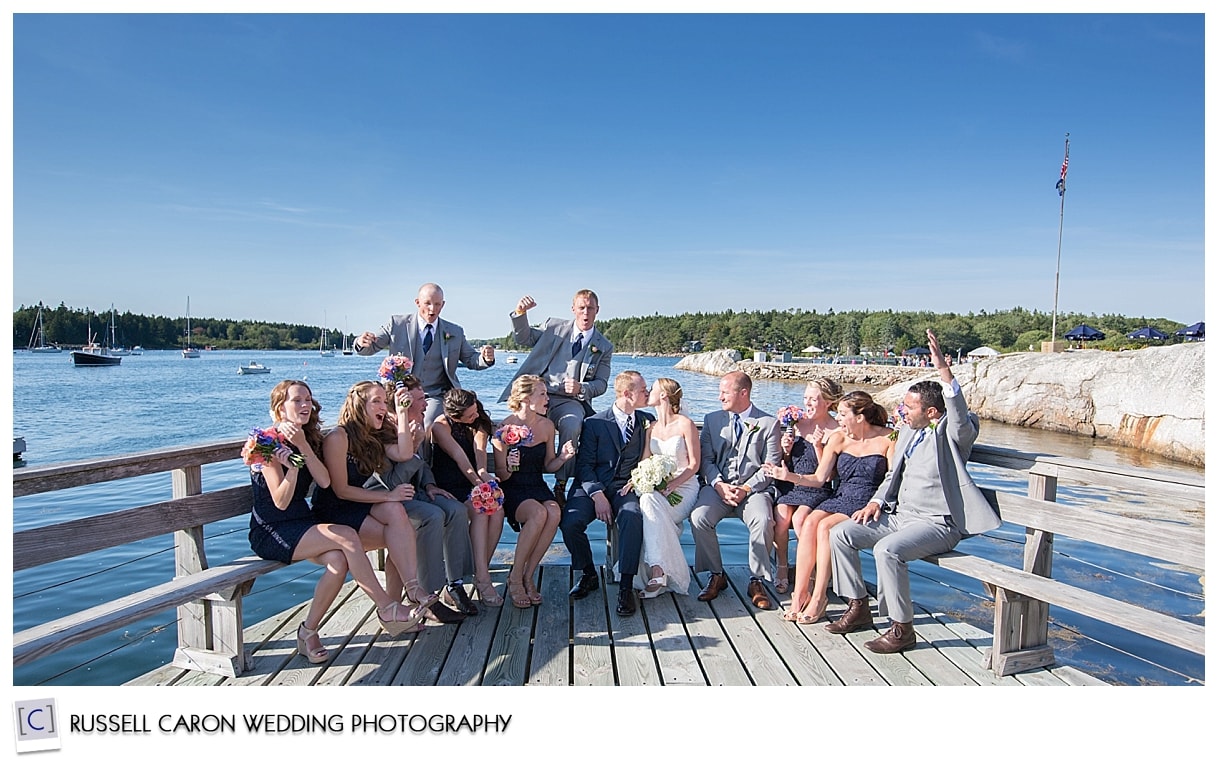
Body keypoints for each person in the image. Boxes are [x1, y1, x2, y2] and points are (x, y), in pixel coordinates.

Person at [824, 329, 1001, 653]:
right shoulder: (906, 431)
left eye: (909, 407)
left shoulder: (954, 432)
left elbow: (958, 413)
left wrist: (944, 371)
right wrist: (876, 501)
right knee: (841, 534)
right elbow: (892, 474)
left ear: (932, 411)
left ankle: (901, 629)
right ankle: (859, 606)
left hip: (937, 523)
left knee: (886, 550)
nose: (902, 411)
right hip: (900, 515)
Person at [248, 381, 427, 657]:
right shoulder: (267, 443)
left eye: (308, 399)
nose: (305, 405)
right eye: (297, 401)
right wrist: (292, 469)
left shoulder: (307, 438)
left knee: (347, 555)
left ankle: (307, 631)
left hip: (304, 523)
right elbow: (280, 502)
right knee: (346, 535)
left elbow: (323, 479)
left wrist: (302, 445)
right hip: (273, 529)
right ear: (279, 408)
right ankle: (386, 607)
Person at [311, 381, 438, 629]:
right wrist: (389, 496)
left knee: (398, 521)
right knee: (399, 529)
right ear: (360, 405)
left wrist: (401, 412)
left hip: (357, 506)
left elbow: (403, 454)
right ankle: (392, 609)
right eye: (376, 401)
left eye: (384, 401)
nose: (383, 406)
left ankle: (407, 593)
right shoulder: (339, 436)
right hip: (334, 510)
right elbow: (341, 490)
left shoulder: (372, 437)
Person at [764, 391, 896, 624]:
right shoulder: (839, 438)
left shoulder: (889, 438)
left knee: (825, 527)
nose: (840, 420)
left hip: (869, 502)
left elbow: (893, 479)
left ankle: (819, 597)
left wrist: (878, 502)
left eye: (843, 414)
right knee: (811, 521)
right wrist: (789, 476)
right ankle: (799, 595)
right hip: (842, 495)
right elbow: (819, 478)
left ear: (860, 416)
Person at [498, 290, 613, 501]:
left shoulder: (604, 346)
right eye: (581, 307)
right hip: (537, 394)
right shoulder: (553, 327)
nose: (585, 312)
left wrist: (582, 388)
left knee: (572, 423)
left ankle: (560, 484)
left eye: (590, 308)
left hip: (569, 401)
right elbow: (523, 338)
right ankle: (513, 482)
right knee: (511, 426)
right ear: (573, 309)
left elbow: (602, 384)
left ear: (597, 310)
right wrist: (520, 313)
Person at [381, 377, 476, 623]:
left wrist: (431, 485)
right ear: (404, 402)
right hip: (391, 497)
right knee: (432, 516)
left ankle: (455, 584)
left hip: (420, 491)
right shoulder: (386, 430)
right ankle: (427, 594)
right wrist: (411, 446)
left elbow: (424, 466)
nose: (427, 403)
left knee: (456, 509)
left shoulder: (420, 421)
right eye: (421, 399)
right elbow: (392, 481)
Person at [562, 371, 653, 616]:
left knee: (632, 516)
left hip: (626, 486)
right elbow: (584, 466)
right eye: (644, 389)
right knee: (570, 522)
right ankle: (589, 573)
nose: (648, 392)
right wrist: (597, 495)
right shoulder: (595, 422)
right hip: (592, 485)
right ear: (627, 394)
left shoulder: (648, 420)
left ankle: (626, 586)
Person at [690, 370, 781, 609]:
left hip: (754, 490)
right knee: (699, 517)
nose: (720, 397)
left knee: (762, 520)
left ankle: (757, 580)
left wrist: (747, 488)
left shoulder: (768, 424)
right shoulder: (711, 420)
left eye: (724, 392)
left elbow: (770, 466)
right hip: (719, 486)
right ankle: (716, 575)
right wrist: (719, 485)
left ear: (743, 393)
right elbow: (706, 460)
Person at [353, 283, 496, 428]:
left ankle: (419, 451)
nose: (432, 309)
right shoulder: (396, 324)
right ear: (417, 302)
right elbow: (369, 348)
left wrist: (486, 358)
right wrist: (360, 342)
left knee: (426, 424)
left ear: (443, 305)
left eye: (437, 304)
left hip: (436, 396)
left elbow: (472, 360)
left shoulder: (455, 332)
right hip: (399, 392)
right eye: (427, 303)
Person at [492, 374, 576, 609]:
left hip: (537, 485)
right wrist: (509, 463)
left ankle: (529, 574)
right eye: (543, 394)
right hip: (514, 488)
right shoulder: (504, 428)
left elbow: (549, 465)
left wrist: (563, 458)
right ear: (526, 398)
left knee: (554, 512)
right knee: (538, 514)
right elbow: (502, 474)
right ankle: (515, 578)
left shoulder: (547, 426)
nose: (548, 399)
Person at [431, 388, 502, 608]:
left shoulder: (478, 419)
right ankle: (481, 577)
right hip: (450, 484)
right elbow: (460, 458)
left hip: (473, 481)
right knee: (481, 511)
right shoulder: (440, 427)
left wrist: (483, 477)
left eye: (475, 410)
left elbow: (479, 451)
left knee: (497, 510)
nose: (475, 416)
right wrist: (478, 486)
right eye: (469, 415)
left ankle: (481, 570)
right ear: (455, 416)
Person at [628, 377, 698, 599]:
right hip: (658, 490)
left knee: (651, 510)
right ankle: (659, 571)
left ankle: (657, 573)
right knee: (647, 501)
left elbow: (695, 464)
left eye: (652, 389)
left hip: (684, 487)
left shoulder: (685, 424)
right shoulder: (652, 428)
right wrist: (637, 480)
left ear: (664, 395)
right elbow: (645, 461)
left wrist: (673, 485)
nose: (647, 391)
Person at [771, 378, 843, 593]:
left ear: (828, 402)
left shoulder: (836, 429)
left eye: (813, 399)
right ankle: (782, 566)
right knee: (781, 517)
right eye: (805, 398)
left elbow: (829, 476)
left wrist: (819, 447)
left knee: (801, 519)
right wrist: (786, 448)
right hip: (791, 485)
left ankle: (811, 572)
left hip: (817, 488)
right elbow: (786, 460)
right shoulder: (796, 422)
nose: (808, 403)